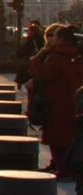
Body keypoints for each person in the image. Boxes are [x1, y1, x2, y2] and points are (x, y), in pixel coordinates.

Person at [27, 25, 83, 181]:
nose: (52, 39)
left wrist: (37, 58)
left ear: (62, 39)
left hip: (56, 101)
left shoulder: (56, 56)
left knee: (56, 136)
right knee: (69, 135)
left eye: (55, 36)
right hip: (73, 100)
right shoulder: (75, 54)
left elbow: (42, 75)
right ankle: (60, 166)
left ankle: (63, 169)